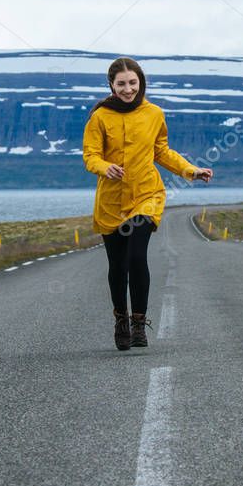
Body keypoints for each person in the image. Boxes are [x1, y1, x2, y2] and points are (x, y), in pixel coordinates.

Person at [81, 57, 213, 351]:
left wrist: (191, 170)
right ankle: (121, 320)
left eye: (133, 83)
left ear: (141, 83)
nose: (128, 89)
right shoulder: (100, 117)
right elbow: (90, 156)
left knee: (135, 256)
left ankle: (139, 323)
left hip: (146, 195)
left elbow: (161, 151)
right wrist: (105, 167)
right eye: (121, 84)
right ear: (111, 86)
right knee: (117, 265)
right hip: (111, 201)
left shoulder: (154, 113)